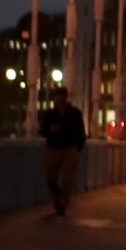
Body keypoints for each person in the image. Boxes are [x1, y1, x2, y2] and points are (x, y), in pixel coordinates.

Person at [39, 84, 87, 215]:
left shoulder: (75, 113)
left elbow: (81, 132)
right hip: (54, 147)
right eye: (57, 97)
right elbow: (42, 131)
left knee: (68, 177)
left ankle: (62, 203)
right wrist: (50, 130)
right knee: (50, 177)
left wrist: (78, 148)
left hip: (70, 148)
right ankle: (58, 195)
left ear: (66, 98)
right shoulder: (49, 114)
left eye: (62, 97)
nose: (59, 99)